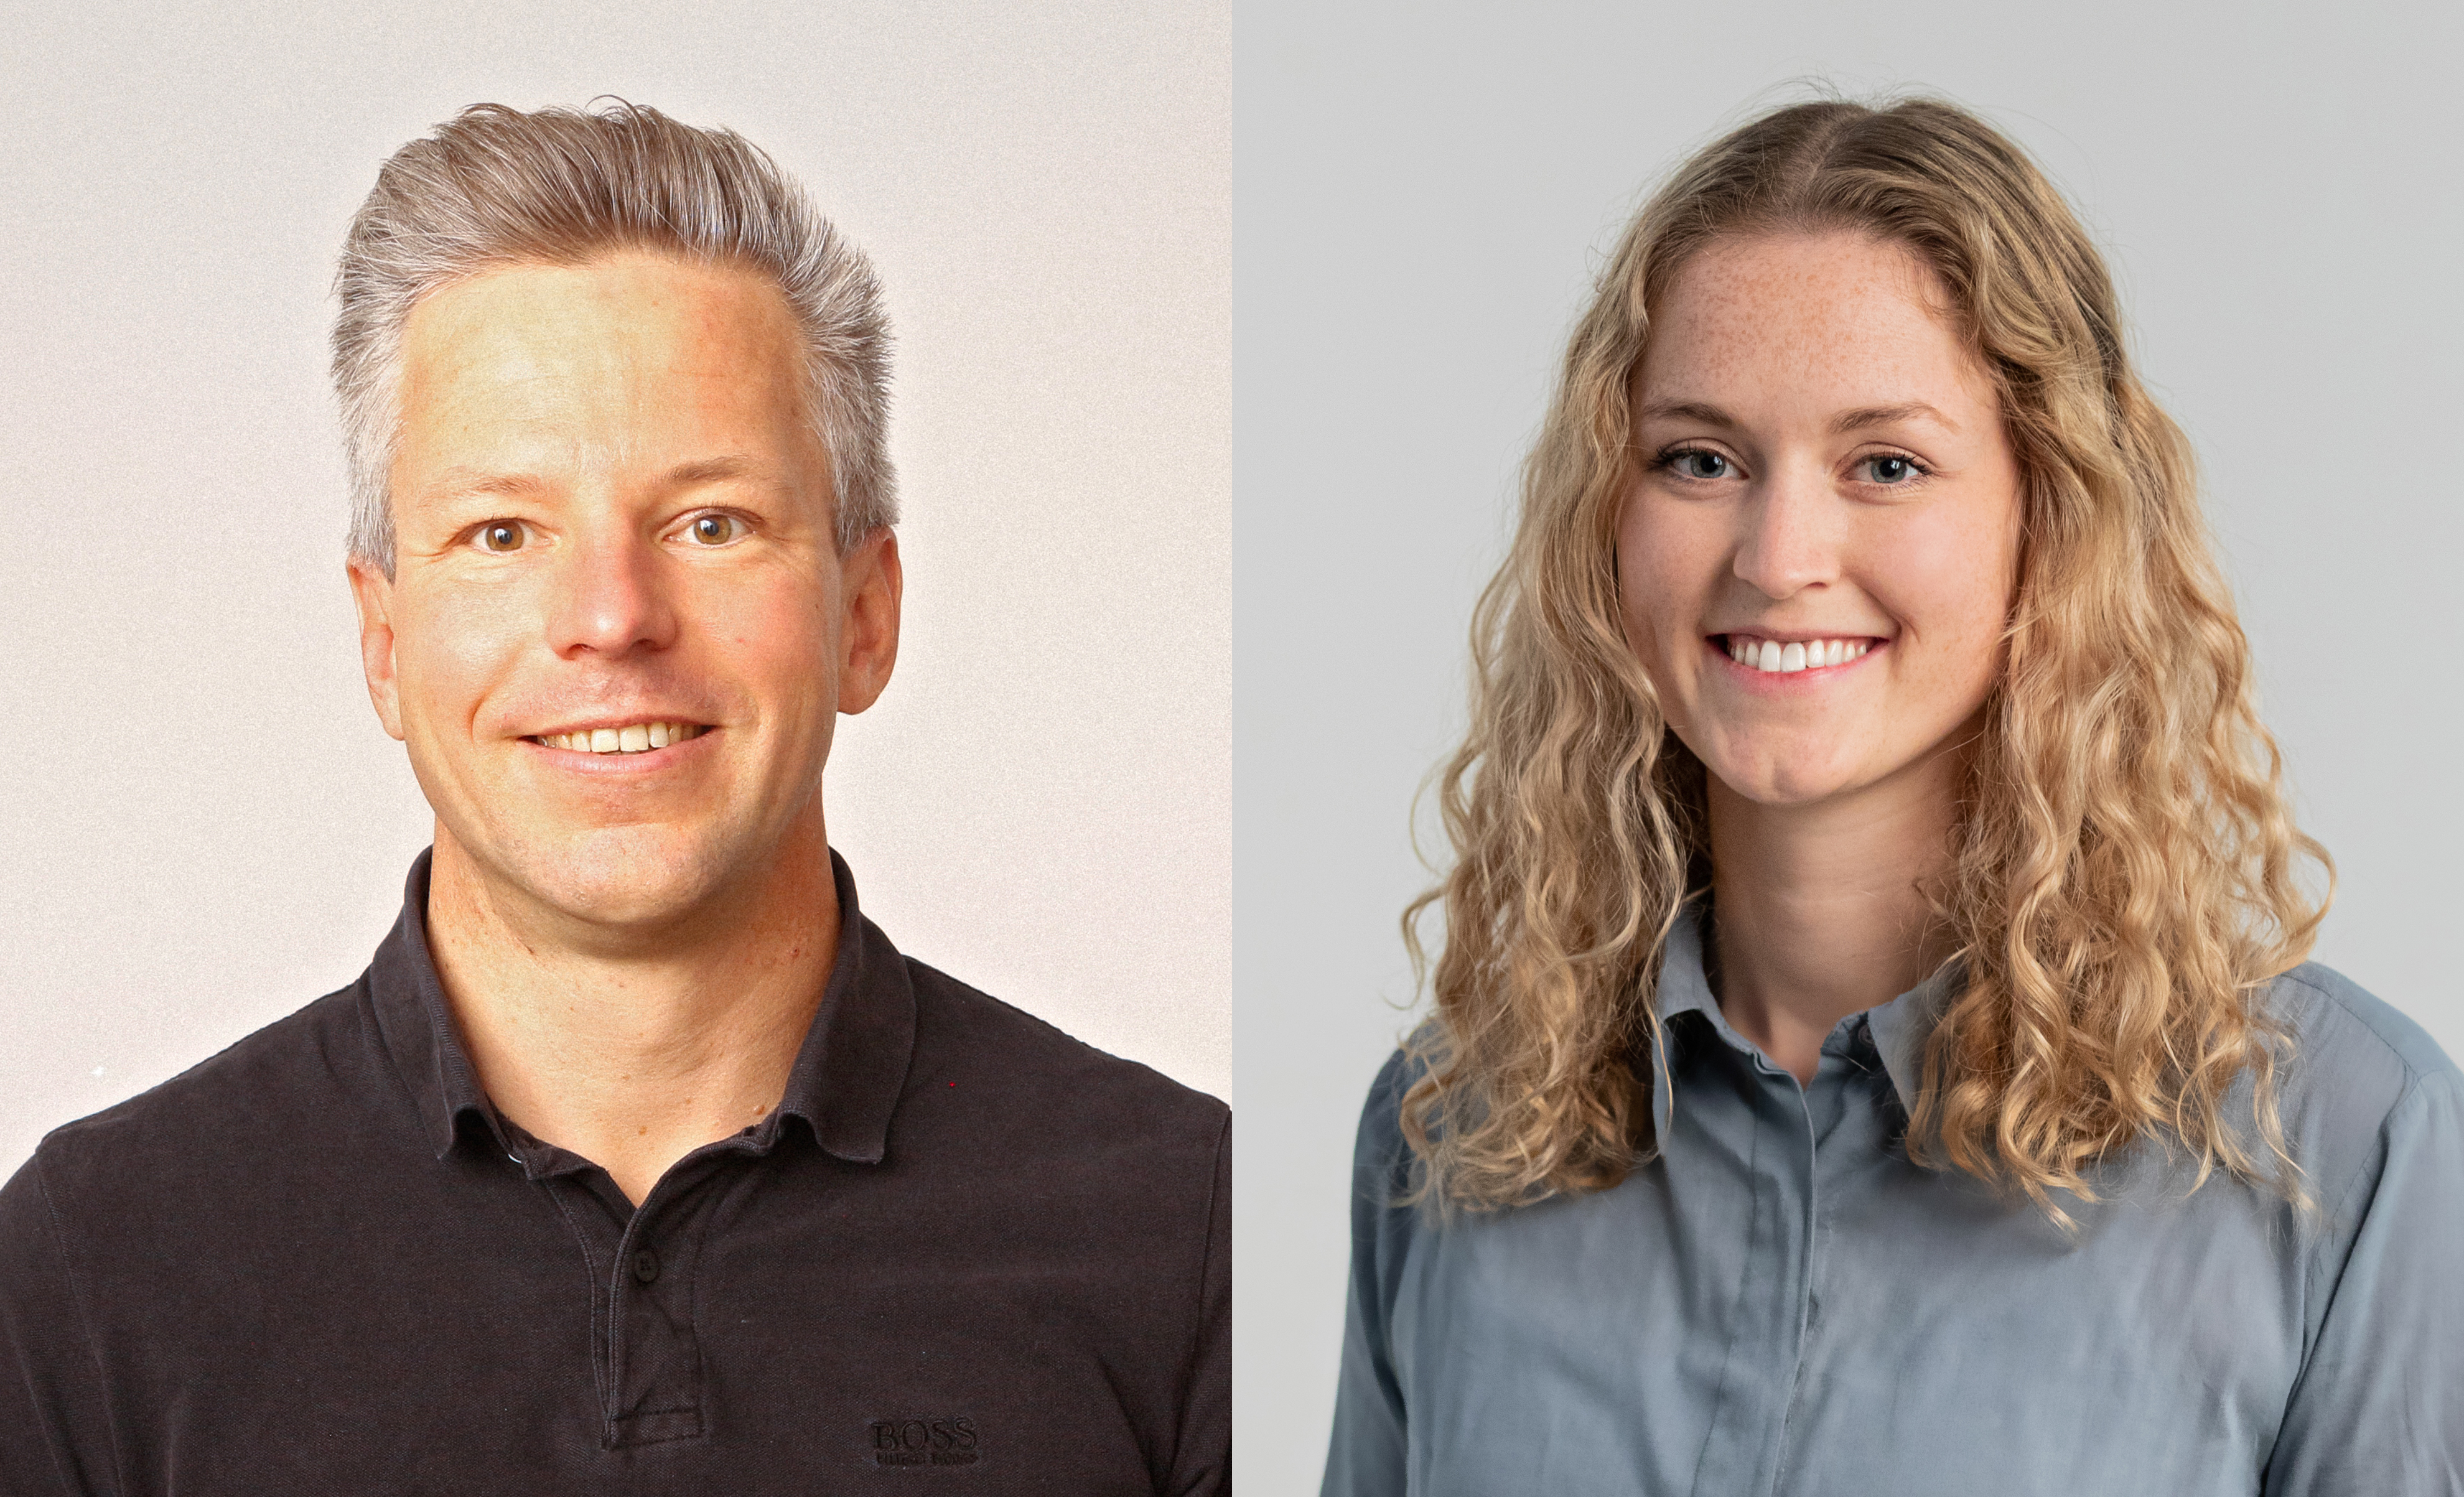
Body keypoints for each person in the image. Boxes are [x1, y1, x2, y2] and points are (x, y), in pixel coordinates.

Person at [0, 102, 1228, 1495]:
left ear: (866, 615)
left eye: (710, 523)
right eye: (502, 533)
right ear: (385, 642)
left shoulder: (1188, 1237)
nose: (610, 617)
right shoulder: (93, 1276)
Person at [1322, 98, 2462, 1496]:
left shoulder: (2345, 1149)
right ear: (1606, 523)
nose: (1780, 550)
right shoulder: (1449, 1133)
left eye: (1887, 465)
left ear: (2053, 518)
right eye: (1699, 457)